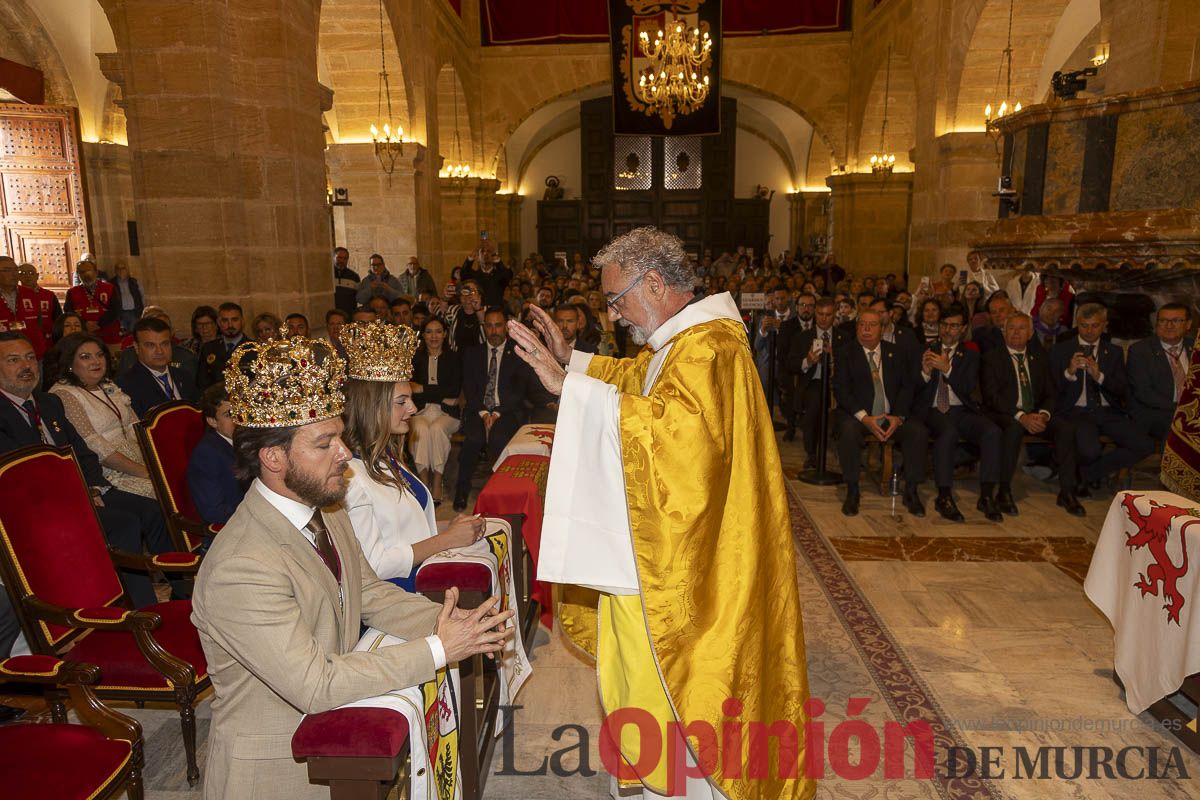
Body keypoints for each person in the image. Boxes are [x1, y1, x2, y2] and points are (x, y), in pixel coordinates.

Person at [507, 227, 813, 800]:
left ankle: (686, 785)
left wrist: (567, 389)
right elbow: (640, 384)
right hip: (669, 543)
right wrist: (572, 363)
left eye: (617, 298)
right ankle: (660, 778)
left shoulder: (710, 348)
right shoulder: (683, 344)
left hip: (689, 564)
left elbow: (680, 441)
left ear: (652, 282)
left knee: (676, 678)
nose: (614, 313)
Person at [190, 332, 513, 800]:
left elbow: (371, 593)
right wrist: (438, 649)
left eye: (340, 436)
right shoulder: (242, 565)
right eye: (325, 443)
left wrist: (450, 622)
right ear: (274, 457)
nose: (345, 453)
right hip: (280, 768)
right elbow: (316, 684)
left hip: (339, 735)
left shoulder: (327, 510)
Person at [0, 331, 174, 608]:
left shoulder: (47, 403)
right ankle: (130, 607)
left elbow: (80, 451)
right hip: (37, 507)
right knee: (123, 522)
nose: (26, 366)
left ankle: (165, 595)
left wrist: (93, 487)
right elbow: (18, 478)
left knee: (149, 510)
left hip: (81, 490)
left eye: (31, 358)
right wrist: (79, 496)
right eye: (13, 360)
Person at [339, 320, 482, 588]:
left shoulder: (387, 457)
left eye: (410, 398)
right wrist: (447, 539)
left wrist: (449, 526)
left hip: (424, 578)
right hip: (399, 598)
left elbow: (406, 532)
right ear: (373, 407)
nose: (414, 408)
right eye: (401, 402)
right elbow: (374, 564)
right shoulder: (350, 477)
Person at [980, 313, 1084, 517]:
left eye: (1021, 328)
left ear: (1030, 333)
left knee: (1065, 429)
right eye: (1011, 328)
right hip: (1005, 414)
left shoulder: (1040, 358)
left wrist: (1043, 415)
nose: (1016, 333)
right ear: (1003, 332)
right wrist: (1021, 416)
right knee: (1014, 429)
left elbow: (1050, 393)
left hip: (1036, 415)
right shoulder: (991, 358)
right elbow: (992, 397)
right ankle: (1003, 490)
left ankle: (1068, 491)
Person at [833, 309, 929, 518]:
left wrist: (899, 416)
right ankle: (852, 490)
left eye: (872, 325)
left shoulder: (895, 352)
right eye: (862, 324)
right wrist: (865, 418)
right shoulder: (845, 352)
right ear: (856, 327)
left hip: (891, 415)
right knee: (847, 430)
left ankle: (911, 491)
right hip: (859, 415)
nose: (866, 329)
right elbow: (842, 390)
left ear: (882, 329)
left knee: (918, 432)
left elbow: (907, 387)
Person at [1049, 303, 1154, 490]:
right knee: (1089, 451)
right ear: (1076, 324)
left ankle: (1087, 474)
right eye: (1084, 325)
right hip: (1076, 412)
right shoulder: (1061, 350)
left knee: (1144, 444)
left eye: (1095, 325)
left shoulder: (1113, 352)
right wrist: (1069, 372)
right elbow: (1051, 390)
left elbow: (1122, 389)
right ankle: (1083, 472)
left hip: (1108, 412)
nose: (1089, 331)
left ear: (1104, 325)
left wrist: (1100, 376)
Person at [914, 304, 1003, 522]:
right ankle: (944, 496)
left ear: (963, 329)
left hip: (961, 410)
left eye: (954, 326)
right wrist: (925, 373)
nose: (947, 330)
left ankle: (986, 496)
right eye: (944, 324)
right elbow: (910, 388)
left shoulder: (971, 355)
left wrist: (948, 370)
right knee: (948, 432)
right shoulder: (924, 349)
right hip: (933, 409)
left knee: (992, 432)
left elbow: (970, 388)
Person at [50, 333, 158, 500]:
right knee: (162, 492)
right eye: (85, 357)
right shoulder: (64, 394)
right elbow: (95, 447)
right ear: (69, 363)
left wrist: (155, 462)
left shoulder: (108, 385)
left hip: (139, 459)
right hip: (109, 472)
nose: (96, 361)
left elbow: (137, 426)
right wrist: (144, 471)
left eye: (100, 355)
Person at [452, 307, 536, 511]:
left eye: (498, 325)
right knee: (473, 440)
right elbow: (469, 389)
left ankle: (501, 493)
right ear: (484, 327)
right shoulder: (472, 353)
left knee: (499, 439)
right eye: (489, 325)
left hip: (507, 411)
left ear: (505, 328)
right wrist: (483, 413)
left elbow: (519, 391)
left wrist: (496, 413)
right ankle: (462, 491)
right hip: (477, 410)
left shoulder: (517, 353)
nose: (494, 330)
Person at [786, 297, 846, 467]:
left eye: (828, 315)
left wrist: (834, 356)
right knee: (814, 403)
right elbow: (790, 363)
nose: (823, 318)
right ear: (815, 313)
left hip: (839, 384)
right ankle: (812, 453)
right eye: (820, 314)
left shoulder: (844, 338)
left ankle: (843, 451)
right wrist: (808, 361)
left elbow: (853, 365)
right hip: (814, 382)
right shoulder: (803, 337)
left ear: (834, 315)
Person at [409, 317, 463, 503]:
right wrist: (440, 393)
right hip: (420, 412)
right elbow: (410, 390)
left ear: (445, 334)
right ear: (423, 335)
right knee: (421, 430)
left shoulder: (454, 358)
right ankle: (425, 485)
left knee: (437, 429)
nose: (434, 336)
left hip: (448, 414)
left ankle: (437, 482)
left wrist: (422, 388)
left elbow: (454, 391)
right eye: (429, 332)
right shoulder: (415, 358)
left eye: (438, 331)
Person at [1127, 303, 1194, 442]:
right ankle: (1174, 463)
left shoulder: (1195, 347)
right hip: (1153, 411)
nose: (1168, 326)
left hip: (1191, 410)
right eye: (1163, 321)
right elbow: (1144, 393)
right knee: (1180, 426)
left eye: (1175, 320)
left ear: (1188, 324)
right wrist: (1184, 409)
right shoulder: (1140, 350)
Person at [117, 316, 200, 417]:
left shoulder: (184, 376)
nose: (159, 351)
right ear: (136, 347)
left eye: (164, 344)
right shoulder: (125, 386)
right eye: (150, 345)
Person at [187, 383, 245, 526]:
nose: (239, 418)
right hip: (234, 528)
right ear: (212, 421)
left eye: (241, 410)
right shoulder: (207, 455)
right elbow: (214, 511)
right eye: (229, 414)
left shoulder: (252, 438)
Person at [0, 255, 47, 359]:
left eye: (15, 270)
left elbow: (39, 323)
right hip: (4, 356)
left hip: (34, 352)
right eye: (7, 270)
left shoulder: (29, 293)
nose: (13, 274)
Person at [64, 260, 120, 344]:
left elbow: (116, 310)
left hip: (108, 335)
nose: (85, 274)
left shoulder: (109, 288)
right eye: (81, 272)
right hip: (82, 337)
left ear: (96, 272)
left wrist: (99, 324)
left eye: (88, 270)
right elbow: (69, 312)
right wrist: (85, 324)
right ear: (78, 275)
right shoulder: (72, 292)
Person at [198, 302, 247, 389]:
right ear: (218, 323)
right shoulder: (209, 348)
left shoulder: (254, 348)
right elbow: (201, 383)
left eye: (235, 320)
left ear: (242, 321)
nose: (230, 325)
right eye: (225, 320)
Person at [15, 261, 61, 354]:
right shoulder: (15, 296)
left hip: (49, 343)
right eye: (22, 273)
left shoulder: (49, 295)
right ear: (18, 276)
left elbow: (58, 320)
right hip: (24, 343)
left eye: (31, 273)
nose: (27, 276)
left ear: (37, 275)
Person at [443, 278, 485, 352]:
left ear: (480, 295)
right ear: (460, 296)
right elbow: (442, 317)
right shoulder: (453, 311)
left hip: (481, 359)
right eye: (465, 292)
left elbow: (488, 330)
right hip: (456, 359)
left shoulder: (488, 312)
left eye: (472, 292)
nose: (468, 296)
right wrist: (445, 298)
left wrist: (478, 309)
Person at [111, 263, 145, 334]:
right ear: (115, 271)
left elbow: (142, 296)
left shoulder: (134, 282)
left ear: (127, 270)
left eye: (123, 268)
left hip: (134, 313)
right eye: (118, 269)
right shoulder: (111, 283)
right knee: (122, 335)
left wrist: (142, 313)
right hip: (120, 314)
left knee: (134, 334)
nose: (121, 271)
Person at [332, 246, 361, 315]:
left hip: (348, 315)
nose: (342, 261)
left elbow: (359, 298)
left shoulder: (354, 277)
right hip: (331, 315)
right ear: (333, 258)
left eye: (345, 258)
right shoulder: (327, 275)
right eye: (339, 257)